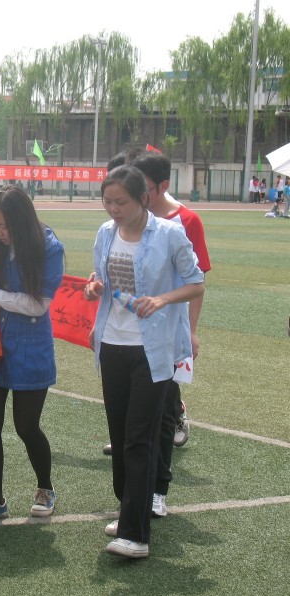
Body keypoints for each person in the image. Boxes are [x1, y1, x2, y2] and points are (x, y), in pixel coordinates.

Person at [84, 164, 204, 559]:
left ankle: (136, 535)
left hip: (152, 348)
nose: (113, 209)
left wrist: (162, 299)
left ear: (143, 198)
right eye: (107, 201)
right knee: (119, 435)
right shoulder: (106, 233)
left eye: (121, 202)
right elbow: (103, 278)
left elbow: (196, 282)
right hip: (112, 343)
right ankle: (129, 512)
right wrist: (94, 287)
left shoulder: (169, 234)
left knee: (140, 437)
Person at [0, 185, 64, 524]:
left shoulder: (49, 247)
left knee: (26, 426)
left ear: (22, 221)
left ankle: (45, 488)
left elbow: (38, 305)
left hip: (32, 348)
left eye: (5, 226)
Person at [130, 151, 212, 518]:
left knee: (163, 410)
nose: (136, 194)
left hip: (168, 333)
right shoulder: (127, 218)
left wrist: (190, 332)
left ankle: (158, 490)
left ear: (162, 185)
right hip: (130, 333)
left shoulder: (186, 221)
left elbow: (197, 280)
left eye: (143, 187)